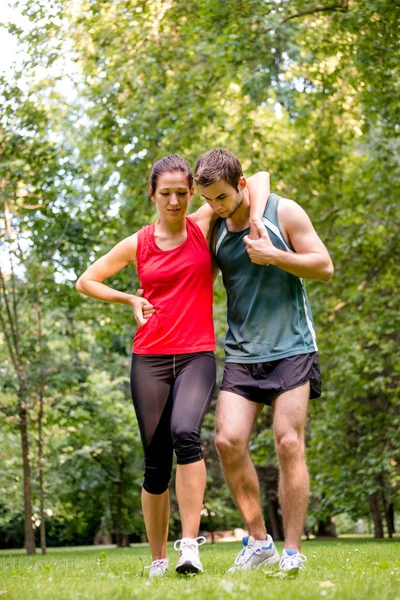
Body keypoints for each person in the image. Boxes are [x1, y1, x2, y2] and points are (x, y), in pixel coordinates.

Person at [76, 155, 269, 577]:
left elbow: (254, 176)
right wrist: (128, 299)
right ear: (153, 195)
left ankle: (189, 547)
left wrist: (255, 219)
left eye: (183, 193)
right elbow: (86, 280)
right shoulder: (138, 243)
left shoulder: (203, 224)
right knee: (155, 463)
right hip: (150, 358)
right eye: (167, 193)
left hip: (197, 353)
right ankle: (158, 560)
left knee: (186, 433)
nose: (176, 201)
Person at [194, 149, 334, 574]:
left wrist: (277, 256)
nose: (215, 207)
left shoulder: (283, 211)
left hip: (292, 347)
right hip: (242, 353)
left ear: (240, 185)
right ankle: (259, 542)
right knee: (227, 441)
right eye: (208, 200)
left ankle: (292, 553)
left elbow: (324, 266)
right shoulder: (215, 226)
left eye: (221, 197)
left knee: (289, 442)